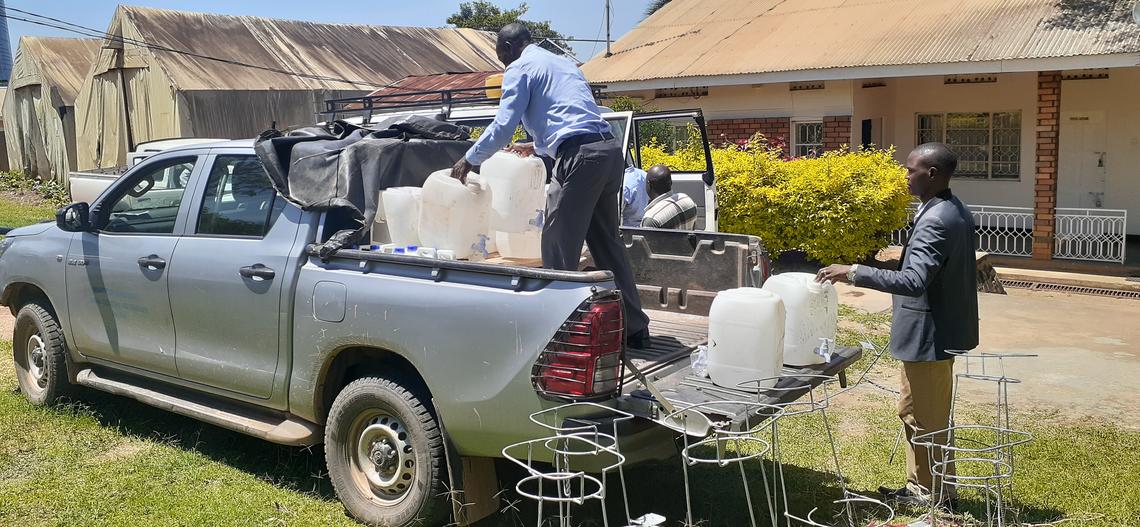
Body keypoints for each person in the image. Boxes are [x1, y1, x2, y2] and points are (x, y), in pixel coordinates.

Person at [450, 23, 651, 347]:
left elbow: (503, 126)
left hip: (581, 159)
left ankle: (562, 338)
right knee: (606, 245)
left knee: (557, 246)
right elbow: (570, 116)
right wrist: (537, 146)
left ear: (507, 48)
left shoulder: (520, 68)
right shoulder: (560, 62)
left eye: (500, 54)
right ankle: (636, 329)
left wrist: (471, 159)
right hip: (608, 152)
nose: (502, 61)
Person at [816, 143, 978, 508]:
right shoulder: (946, 209)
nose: (905, 176)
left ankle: (936, 496)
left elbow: (914, 281)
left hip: (930, 337)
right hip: (932, 335)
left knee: (928, 419)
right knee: (914, 412)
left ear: (932, 174)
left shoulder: (938, 219)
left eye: (911, 170)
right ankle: (923, 488)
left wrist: (854, 271)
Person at [640, 164, 699, 230]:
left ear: (649, 185)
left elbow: (648, 240)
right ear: (671, 182)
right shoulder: (686, 199)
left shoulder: (651, 219)